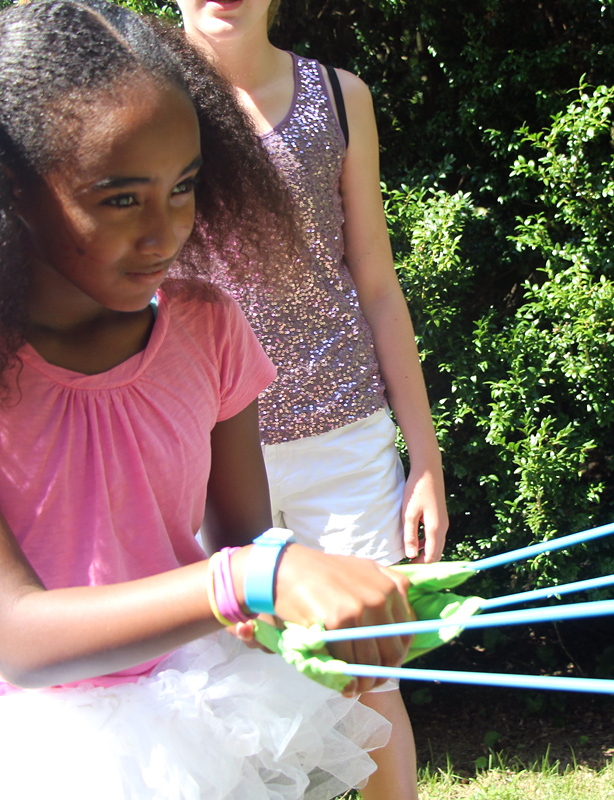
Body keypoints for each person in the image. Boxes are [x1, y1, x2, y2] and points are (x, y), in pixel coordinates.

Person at [0, 3, 415, 798]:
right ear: (8, 189)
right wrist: (249, 582)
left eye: (184, 187)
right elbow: (17, 637)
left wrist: (320, 627)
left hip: (189, 722)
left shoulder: (208, 329)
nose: (165, 232)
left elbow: (249, 554)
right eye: (121, 197)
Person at [173, 2, 450, 797]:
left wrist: (423, 458)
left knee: (373, 677)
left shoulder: (339, 96)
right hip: (198, 448)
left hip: (344, 441)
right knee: (209, 692)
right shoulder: (149, 98)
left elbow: (376, 280)